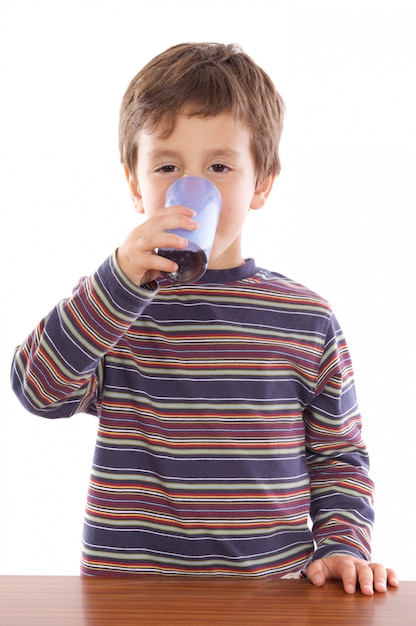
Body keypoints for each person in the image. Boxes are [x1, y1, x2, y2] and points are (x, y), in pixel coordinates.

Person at [11, 42, 398, 594]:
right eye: (167, 167)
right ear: (133, 182)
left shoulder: (305, 319)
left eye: (220, 167)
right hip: (129, 595)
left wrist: (342, 546)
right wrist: (118, 280)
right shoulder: (114, 306)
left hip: (268, 596)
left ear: (261, 182)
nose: (193, 188)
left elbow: (338, 455)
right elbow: (36, 390)